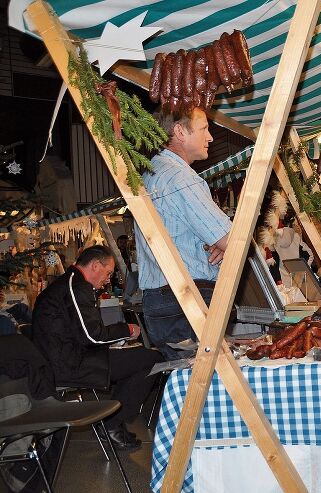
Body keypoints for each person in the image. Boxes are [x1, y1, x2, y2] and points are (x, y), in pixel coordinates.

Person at [30, 246, 164, 451]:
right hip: (68, 364)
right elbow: (92, 336)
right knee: (150, 359)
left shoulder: (67, 284)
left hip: (64, 358)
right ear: (94, 265)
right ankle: (112, 424)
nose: (108, 279)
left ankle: (113, 422)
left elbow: (84, 335)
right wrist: (126, 329)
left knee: (141, 358)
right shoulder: (76, 287)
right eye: (108, 273)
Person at [134, 107, 232, 360]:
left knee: (188, 383)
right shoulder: (180, 177)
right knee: (207, 384)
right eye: (204, 128)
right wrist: (222, 241)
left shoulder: (150, 174)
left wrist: (216, 241)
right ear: (179, 131)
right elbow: (232, 240)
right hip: (187, 298)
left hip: (160, 299)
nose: (210, 137)